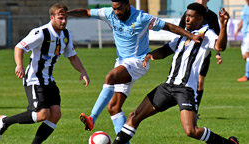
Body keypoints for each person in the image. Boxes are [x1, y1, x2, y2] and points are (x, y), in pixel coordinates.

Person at [67, 0, 202, 138]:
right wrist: (68, 14)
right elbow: (86, 12)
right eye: (114, 9)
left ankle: (92, 118)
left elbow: (168, 26)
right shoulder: (109, 13)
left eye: (119, 9)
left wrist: (191, 36)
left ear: (127, 5)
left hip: (138, 62)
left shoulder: (141, 17)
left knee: (110, 77)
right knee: (114, 108)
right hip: (121, 64)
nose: (116, 12)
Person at [113, 3, 239, 144]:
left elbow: (220, 46)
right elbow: (165, 50)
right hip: (167, 87)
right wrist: (150, 55)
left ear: (200, 19)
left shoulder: (207, 34)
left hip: (185, 89)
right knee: (134, 117)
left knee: (191, 131)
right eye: (186, 16)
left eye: (191, 17)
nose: (187, 19)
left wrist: (223, 26)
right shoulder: (183, 35)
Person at [0, 3, 90, 143]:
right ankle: (5, 121)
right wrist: (19, 65)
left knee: (55, 114)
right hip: (34, 79)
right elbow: (19, 47)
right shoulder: (41, 33)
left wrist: (82, 70)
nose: (64, 21)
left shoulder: (66, 34)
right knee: (42, 114)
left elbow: (72, 55)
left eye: (65, 18)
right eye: (60, 18)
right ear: (52, 17)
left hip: (49, 79)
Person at [179, 0, 222, 116]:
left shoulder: (212, 16)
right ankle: (188, 108)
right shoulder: (189, 13)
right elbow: (180, 29)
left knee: (199, 83)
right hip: (189, 54)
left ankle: (195, 110)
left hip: (204, 53)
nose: (201, 0)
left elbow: (217, 37)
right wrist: (192, 36)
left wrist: (218, 53)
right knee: (187, 81)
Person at [234, 0, 249, 82]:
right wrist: (237, 30)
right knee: (244, 55)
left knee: (247, 54)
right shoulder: (245, 7)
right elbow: (242, 20)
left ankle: (247, 75)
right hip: (245, 33)